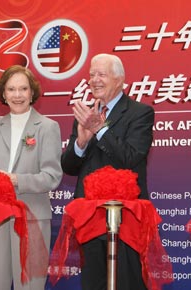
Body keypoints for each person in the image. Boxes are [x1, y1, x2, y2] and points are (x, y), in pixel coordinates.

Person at [61, 53, 155, 290]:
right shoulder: (86, 114)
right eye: (91, 75)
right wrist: (80, 144)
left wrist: (100, 130)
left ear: (119, 79)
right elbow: (69, 167)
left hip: (125, 217)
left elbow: (131, 157)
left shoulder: (140, 112)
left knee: (127, 280)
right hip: (90, 215)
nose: (94, 80)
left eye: (101, 74)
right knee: (94, 282)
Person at [0, 65, 62, 290]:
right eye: (11, 89)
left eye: (23, 89)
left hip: (32, 217)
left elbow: (52, 176)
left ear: (32, 92)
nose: (17, 95)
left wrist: (17, 180)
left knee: (30, 286)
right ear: (3, 94)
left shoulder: (47, 127)